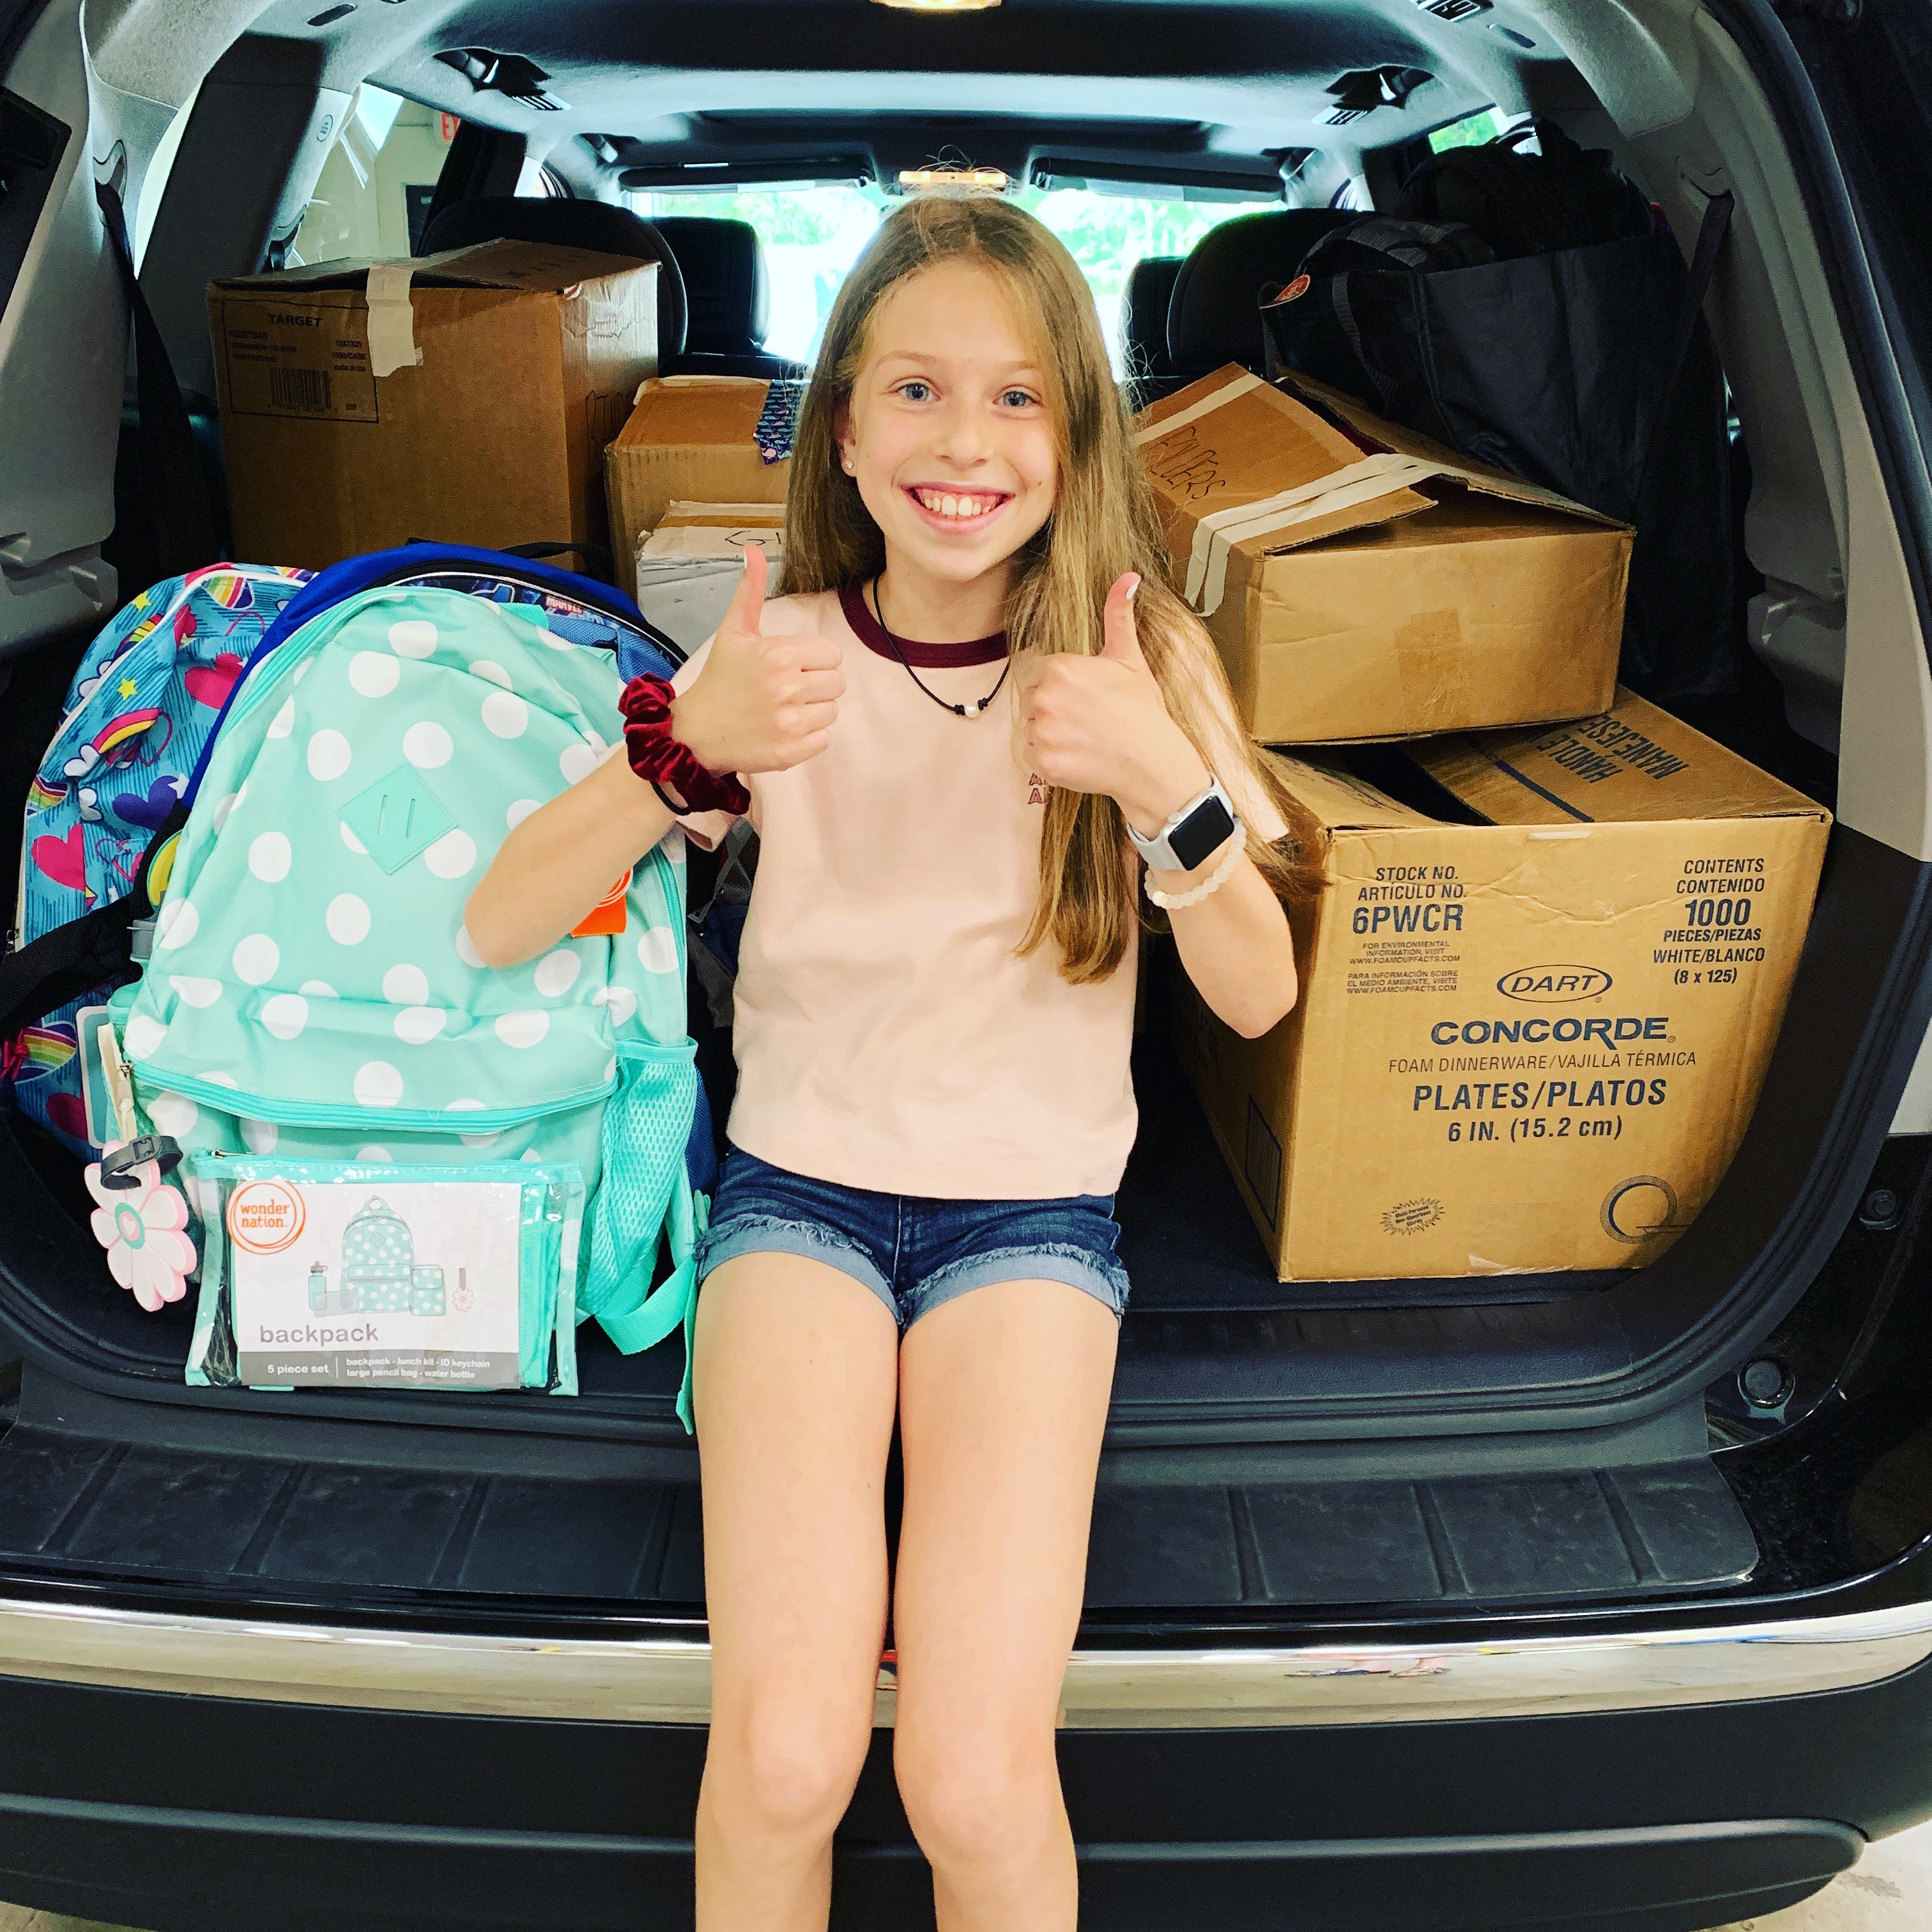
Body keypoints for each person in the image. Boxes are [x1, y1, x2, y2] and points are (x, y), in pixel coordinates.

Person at [464, 191, 1315, 1932]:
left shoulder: (1131, 666)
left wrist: (1166, 787)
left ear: (1077, 439)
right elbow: (501, 918)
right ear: (841, 429)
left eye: (1018, 398)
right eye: (915, 390)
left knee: (973, 1780)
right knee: (784, 1759)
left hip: (1032, 1227)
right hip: (801, 1206)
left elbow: (1257, 997)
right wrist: (678, 754)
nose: (965, 443)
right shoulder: (774, 659)